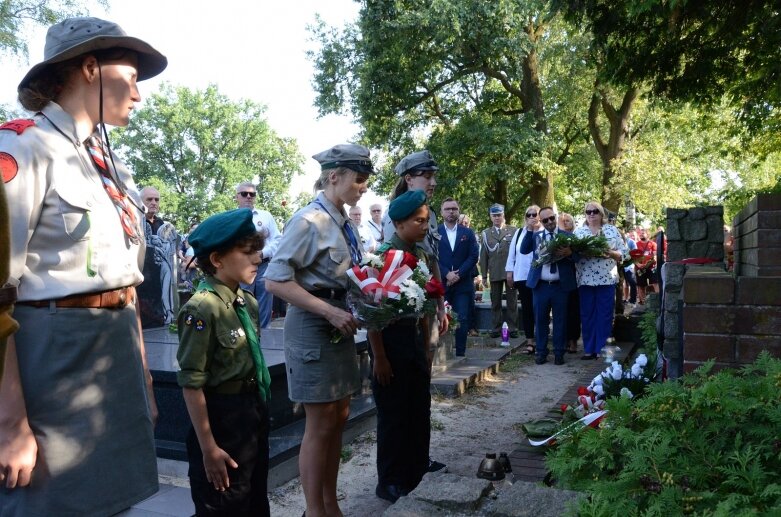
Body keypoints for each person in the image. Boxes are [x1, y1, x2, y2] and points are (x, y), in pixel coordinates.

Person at [0, 16, 166, 515]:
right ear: (90, 68)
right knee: (47, 504)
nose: (138, 93)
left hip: (112, 356)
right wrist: (9, 424)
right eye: (131, 77)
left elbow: (126, 281)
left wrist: (144, 379)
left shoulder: (106, 166)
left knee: (113, 505)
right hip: (52, 358)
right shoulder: (22, 147)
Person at [265, 144, 371, 517]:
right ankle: (314, 511)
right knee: (320, 421)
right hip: (314, 323)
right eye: (358, 180)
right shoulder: (309, 220)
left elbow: (344, 274)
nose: (363, 188)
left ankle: (330, 504)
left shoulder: (341, 220)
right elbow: (275, 281)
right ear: (333, 176)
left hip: (337, 319)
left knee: (338, 415)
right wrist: (328, 311)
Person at [177, 209, 271, 516]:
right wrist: (208, 448)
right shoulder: (202, 309)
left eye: (257, 251)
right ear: (217, 259)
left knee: (254, 496)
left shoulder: (247, 302)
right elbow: (192, 383)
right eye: (247, 252)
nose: (257, 258)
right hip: (221, 417)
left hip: (251, 411)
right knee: (224, 502)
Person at [381, 149, 448, 474]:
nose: (433, 182)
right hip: (401, 317)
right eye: (427, 176)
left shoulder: (427, 214)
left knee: (419, 393)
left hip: (424, 312)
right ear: (409, 178)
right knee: (400, 399)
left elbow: (429, 264)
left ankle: (418, 459)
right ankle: (399, 468)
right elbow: (389, 278)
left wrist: (439, 306)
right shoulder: (395, 218)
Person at [368, 190, 433, 503]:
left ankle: (417, 468)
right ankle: (390, 480)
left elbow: (422, 301)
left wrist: (426, 345)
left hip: (413, 339)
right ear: (398, 223)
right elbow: (371, 311)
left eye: (426, 220)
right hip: (390, 343)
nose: (425, 226)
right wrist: (379, 357)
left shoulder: (417, 253)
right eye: (418, 221)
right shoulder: (384, 256)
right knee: (394, 414)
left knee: (418, 408)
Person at [521, 207, 577, 365]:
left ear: (555, 217)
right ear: (541, 221)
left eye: (551, 218)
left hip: (561, 285)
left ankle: (559, 352)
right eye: (545, 220)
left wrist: (570, 253)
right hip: (541, 285)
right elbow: (524, 250)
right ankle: (541, 352)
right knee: (540, 320)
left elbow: (578, 257)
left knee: (560, 320)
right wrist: (530, 229)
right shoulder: (537, 236)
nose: (549, 222)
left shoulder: (567, 236)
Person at [574, 202, 627, 360]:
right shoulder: (579, 232)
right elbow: (573, 255)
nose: (591, 214)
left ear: (601, 214)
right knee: (587, 315)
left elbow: (624, 254)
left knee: (604, 315)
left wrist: (610, 253)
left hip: (606, 279)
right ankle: (589, 349)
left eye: (595, 211)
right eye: (588, 212)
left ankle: (601, 348)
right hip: (585, 280)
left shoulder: (611, 230)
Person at [235, 181, 282, 328]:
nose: (248, 197)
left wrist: (262, 253)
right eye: (244, 194)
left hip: (264, 264)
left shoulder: (266, 216)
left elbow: (278, 240)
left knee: (264, 301)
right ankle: (245, 334)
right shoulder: (231, 218)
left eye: (252, 194)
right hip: (242, 266)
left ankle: (264, 334)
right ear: (237, 197)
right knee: (242, 300)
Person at [438, 198, 479, 357]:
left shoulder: (467, 233)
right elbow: (433, 257)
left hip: (463, 284)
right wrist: (446, 273)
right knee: (441, 316)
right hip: (442, 283)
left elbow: (473, 256)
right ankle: (442, 352)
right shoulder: (435, 233)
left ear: (458, 210)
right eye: (447, 209)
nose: (451, 211)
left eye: (454, 208)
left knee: (462, 317)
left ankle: (460, 353)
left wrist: (458, 274)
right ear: (442, 212)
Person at [137, 185, 178, 327]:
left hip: (162, 274)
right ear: (140, 201)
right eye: (149, 199)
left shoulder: (165, 226)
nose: (154, 202)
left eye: (156, 199)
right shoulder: (134, 223)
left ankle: (168, 314)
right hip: (142, 280)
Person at [478, 204, 519, 340]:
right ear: (490, 216)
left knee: (512, 301)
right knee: (495, 302)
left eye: (499, 215)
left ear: (503, 215)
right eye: (494, 215)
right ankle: (496, 328)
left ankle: (512, 328)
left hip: (510, 272)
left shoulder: (514, 231)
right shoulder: (486, 233)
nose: (497, 217)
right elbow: (483, 256)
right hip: (494, 272)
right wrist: (484, 275)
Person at [505, 205, 541, 355]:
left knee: (540, 309)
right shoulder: (519, 232)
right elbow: (512, 254)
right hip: (522, 276)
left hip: (540, 277)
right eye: (529, 215)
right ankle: (530, 342)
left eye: (535, 214)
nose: (532, 217)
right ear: (525, 217)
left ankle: (542, 340)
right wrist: (509, 273)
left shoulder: (544, 232)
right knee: (527, 309)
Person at [558, 212, 581, 354]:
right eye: (563, 221)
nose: (565, 223)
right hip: (559, 279)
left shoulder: (576, 238)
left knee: (573, 311)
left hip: (574, 278)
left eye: (568, 221)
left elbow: (579, 257)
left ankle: (573, 340)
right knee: (562, 312)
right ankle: (564, 339)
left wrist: (570, 254)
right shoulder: (556, 236)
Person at [459, 213, 481, 337]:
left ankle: (472, 327)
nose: (464, 225)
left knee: (470, 302)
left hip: (469, 273)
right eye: (462, 222)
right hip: (455, 273)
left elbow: (474, 255)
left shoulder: (472, 235)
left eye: (466, 223)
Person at [634, 227, 657, 304]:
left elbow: (655, 256)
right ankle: (643, 303)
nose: (640, 234)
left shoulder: (653, 244)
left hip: (651, 267)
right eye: (640, 233)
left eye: (643, 233)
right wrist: (638, 264)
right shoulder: (636, 244)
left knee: (655, 283)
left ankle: (657, 302)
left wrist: (646, 264)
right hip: (640, 268)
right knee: (641, 285)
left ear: (648, 234)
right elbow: (633, 257)